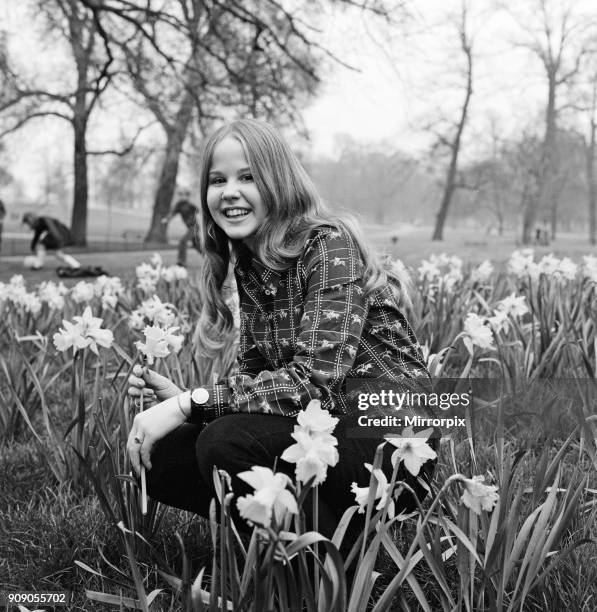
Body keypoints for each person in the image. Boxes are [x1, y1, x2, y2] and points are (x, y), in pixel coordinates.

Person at [126, 119, 436, 551]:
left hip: (391, 440)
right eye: (218, 180)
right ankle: (284, 555)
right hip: (323, 430)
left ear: (280, 183)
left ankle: (327, 570)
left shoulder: (328, 246)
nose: (229, 191)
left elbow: (314, 383)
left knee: (224, 442)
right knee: (168, 453)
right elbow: (260, 391)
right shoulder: (252, 267)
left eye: (247, 177)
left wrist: (191, 403)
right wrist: (188, 406)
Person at [161, 191, 200, 266]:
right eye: (181, 195)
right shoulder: (179, 205)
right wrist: (167, 219)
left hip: (195, 227)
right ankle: (209, 258)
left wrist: (200, 221)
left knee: (183, 241)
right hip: (190, 227)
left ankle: (181, 261)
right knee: (196, 245)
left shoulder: (191, 205)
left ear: (187, 196)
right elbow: (172, 213)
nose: (182, 197)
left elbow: (199, 213)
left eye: (185, 195)